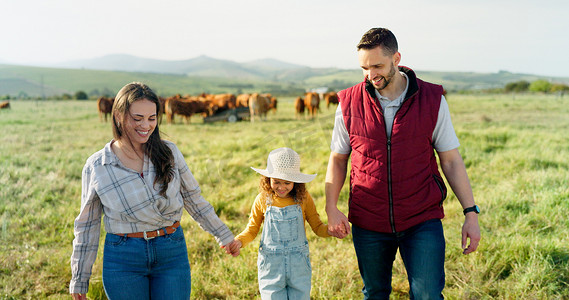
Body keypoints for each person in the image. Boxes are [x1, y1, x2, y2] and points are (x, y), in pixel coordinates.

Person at [325, 28, 481, 299]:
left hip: (421, 218)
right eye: (364, 68)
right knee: (374, 293)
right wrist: (331, 207)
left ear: (396, 58)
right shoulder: (348, 103)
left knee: (428, 295)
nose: (371, 75)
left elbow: (451, 160)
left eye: (378, 66)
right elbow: (338, 159)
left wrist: (471, 213)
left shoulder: (432, 100)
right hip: (368, 219)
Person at [69, 82, 239, 300]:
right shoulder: (97, 166)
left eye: (152, 118)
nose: (146, 126)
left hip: (171, 250)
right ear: (119, 116)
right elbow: (87, 225)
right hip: (123, 258)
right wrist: (79, 278)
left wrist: (223, 235)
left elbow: (194, 199)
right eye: (137, 118)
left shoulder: (169, 152)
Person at [226, 147, 333, 299]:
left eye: (287, 183)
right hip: (271, 267)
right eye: (276, 182)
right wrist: (238, 241)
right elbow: (252, 230)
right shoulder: (262, 200)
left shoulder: (304, 199)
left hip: (298, 266)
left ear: (295, 182)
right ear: (268, 179)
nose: (281, 187)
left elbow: (317, 226)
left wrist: (330, 230)